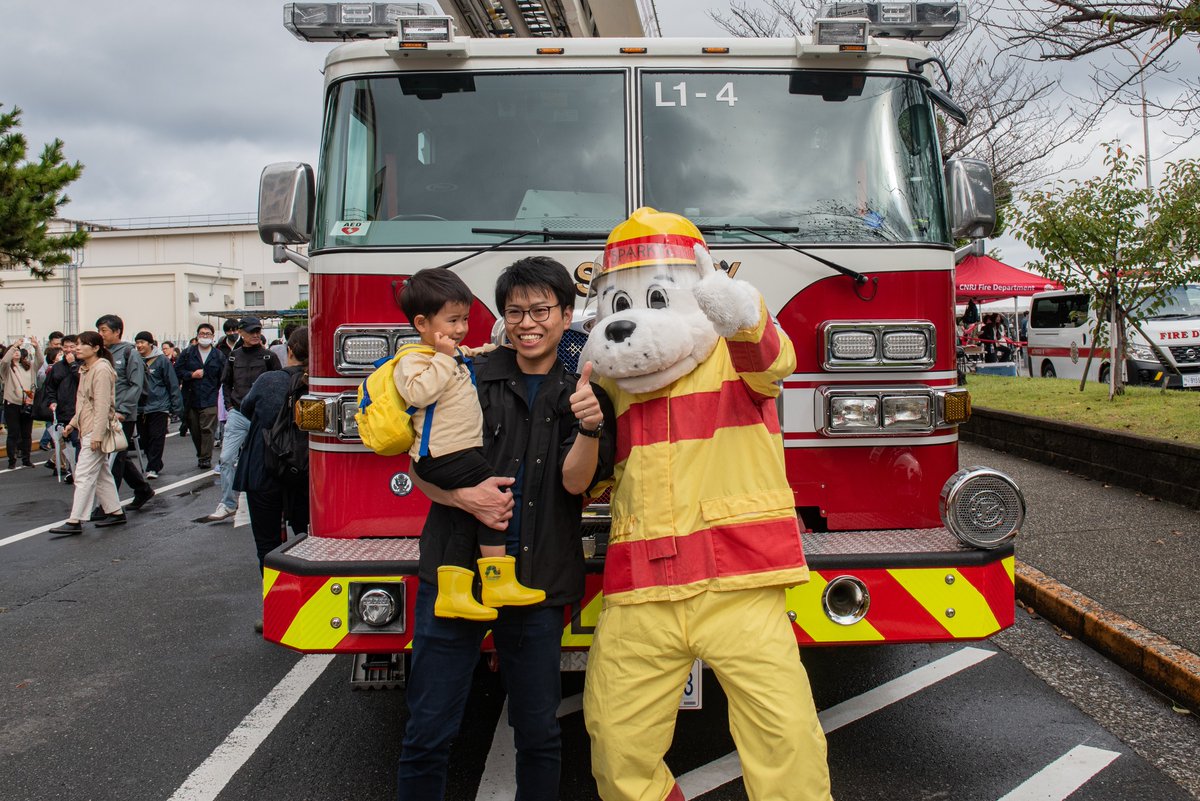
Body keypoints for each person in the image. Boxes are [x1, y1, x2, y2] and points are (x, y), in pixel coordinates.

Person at [396, 257, 615, 801]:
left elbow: (575, 485)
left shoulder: (585, 391)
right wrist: (461, 496)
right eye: (514, 311)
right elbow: (419, 466)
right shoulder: (468, 373)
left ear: (567, 314)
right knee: (428, 731)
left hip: (538, 580)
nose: (528, 323)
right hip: (456, 572)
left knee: (539, 734)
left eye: (541, 310)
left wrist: (590, 425)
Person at [397, 268, 544, 621]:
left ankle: (455, 591)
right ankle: (496, 580)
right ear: (421, 323)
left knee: (468, 518)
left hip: (455, 453)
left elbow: (470, 352)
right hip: (443, 455)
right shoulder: (413, 360)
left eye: (464, 319)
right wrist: (446, 358)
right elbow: (417, 393)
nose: (461, 329)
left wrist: (492, 348)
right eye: (452, 321)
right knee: (497, 496)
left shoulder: (451, 354)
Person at [233, 327, 311, 578]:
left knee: (268, 545)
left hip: (263, 467)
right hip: (306, 469)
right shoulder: (318, 384)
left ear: (289, 350)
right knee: (308, 540)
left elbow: (246, 409)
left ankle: (276, 608)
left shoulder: (269, 380)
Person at [48, 331, 127, 535]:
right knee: (101, 474)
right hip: (87, 427)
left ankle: (76, 520)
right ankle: (116, 512)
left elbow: (102, 406)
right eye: (77, 344)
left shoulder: (101, 369)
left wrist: (98, 436)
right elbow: (83, 402)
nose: (77, 347)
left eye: (82, 344)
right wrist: (73, 424)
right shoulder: (86, 368)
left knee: (83, 474)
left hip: (95, 429)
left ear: (95, 348)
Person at [206, 317, 282, 521]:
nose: (256, 334)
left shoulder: (269, 357)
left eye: (258, 330)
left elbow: (279, 384)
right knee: (226, 458)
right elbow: (226, 383)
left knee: (271, 460)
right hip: (238, 414)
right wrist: (230, 406)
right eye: (251, 331)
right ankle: (228, 503)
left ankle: (275, 502)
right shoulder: (233, 357)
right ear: (241, 332)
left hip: (262, 415)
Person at [95, 315, 156, 513]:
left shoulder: (130, 352)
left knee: (115, 459)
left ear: (117, 331)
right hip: (104, 413)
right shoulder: (101, 353)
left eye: (104, 330)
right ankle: (142, 489)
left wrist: (123, 410)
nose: (100, 334)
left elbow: (136, 384)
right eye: (99, 330)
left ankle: (108, 507)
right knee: (117, 455)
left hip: (123, 414)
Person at [134, 331, 183, 479]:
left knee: (157, 437)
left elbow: (172, 383)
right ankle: (155, 463)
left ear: (150, 343)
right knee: (145, 439)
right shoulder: (134, 359)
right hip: (140, 407)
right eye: (137, 342)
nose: (139, 345)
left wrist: (176, 406)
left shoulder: (162, 360)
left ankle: (153, 466)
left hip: (159, 405)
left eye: (142, 342)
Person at [176, 323, 224, 469]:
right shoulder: (187, 353)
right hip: (191, 397)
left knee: (207, 429)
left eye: (207, 334)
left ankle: (205, 458)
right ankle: (201, 453)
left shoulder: (218, 355)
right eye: (202, 333)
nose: (204, 336)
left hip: (210, 398)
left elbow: (224, 376)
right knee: (195, 429)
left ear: (212, 336)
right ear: (197, 336)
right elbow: (177, 371)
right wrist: (191, 375)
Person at [1, 335, 42, 468]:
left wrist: (36, 346)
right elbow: (4, 362)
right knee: (13, 433)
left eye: (19, 349)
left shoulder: (28, 366)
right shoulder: (7, 369)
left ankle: (26, 459)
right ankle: (12, 461)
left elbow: (40, 361)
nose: (17, 351)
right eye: (14, 350)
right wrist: (13, 347)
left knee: (26, 433)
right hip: (12, 403)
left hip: (27, 403)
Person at [45, 334, 82, 479]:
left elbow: (82, 380)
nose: (68, 350)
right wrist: (52, 401)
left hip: (80, 410)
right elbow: (50, 387)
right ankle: (72, 470)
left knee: (78, 440)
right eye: (65, 347)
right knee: (68, 443)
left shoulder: (83, 364)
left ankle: (78, 471)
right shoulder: (58, 367)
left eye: (72, 346)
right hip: (63, 410)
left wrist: (73, 364)